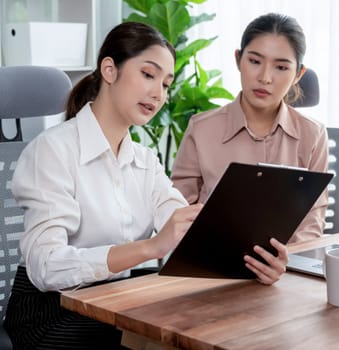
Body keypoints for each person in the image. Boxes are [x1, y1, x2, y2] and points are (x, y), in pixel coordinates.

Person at [3, 21, 288, 350]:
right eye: (148, 75)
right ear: (109, 69)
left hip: (115, 300)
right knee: (168, 338)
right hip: (50, 315)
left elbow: (191, 227)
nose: (159, 93)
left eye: (166, 84)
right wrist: (150, 248)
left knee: (217, 322)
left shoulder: (144, 160)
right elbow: (46, 267)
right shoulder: (52, 151)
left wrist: (255, 260)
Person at [171, 13, 329, 243]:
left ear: (298, 74)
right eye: (255, 61)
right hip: (211, 265)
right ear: (238, 59)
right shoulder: (201, 129)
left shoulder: (313, 135)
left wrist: (285, 262)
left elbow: (312, 224)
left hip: (286, 269)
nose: (265, 78)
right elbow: (178, 214)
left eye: (281, 67)